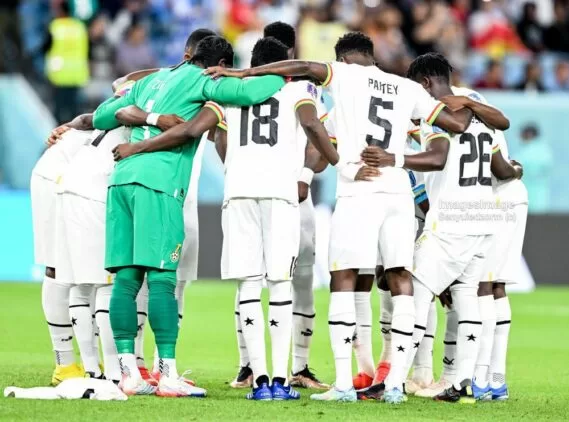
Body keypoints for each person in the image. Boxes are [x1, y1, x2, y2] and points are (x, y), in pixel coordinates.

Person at [204, 31, 496, 404]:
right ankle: (395, 385)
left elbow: (303, 67)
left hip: (359, 190)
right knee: (400, 277)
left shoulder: (343, 76)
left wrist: (244, 74)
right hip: (398, 194)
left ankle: (344, 383)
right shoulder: (406, 88)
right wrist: (468, 105)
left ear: (342, 59)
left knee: (344, 277)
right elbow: (455, 125)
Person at [91, 35, 286, 397]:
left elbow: (103, 115)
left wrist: (145, 114)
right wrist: (277, 72)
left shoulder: (150, 80)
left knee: (126, 280)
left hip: (121, 181)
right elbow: (256, 92)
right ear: (220, 66)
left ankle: (128, 373)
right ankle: (167, 374)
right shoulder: (204, 81)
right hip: (159, 184)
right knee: (163, 280)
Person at [380, 52, 520, 403]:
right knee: (467, 296)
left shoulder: (436, 114)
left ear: (425, 83)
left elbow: (438, 158)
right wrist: (515, 170)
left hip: (451, 218)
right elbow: (500, 162)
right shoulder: (478, 110)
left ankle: (394, 382)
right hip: (483, 215)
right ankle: (463, 382)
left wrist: (395, 159)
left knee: (414, 293)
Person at [31, 123, 94, 385]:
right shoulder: (136, 107)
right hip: (57, 176)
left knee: (95, 270)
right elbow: (96, 116)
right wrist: (70, 125)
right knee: (57, 267)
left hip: (88, 183)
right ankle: (65, 363)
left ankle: (93, 363)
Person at [477, 128, 528, 401]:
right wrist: (515, 168)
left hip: (495, 199)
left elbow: (500, 168)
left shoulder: (465, 117)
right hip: (511, 196)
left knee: (482, 283)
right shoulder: (484, 112)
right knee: (496, 285)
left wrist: (512, 169)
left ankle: (480, 379)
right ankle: (496, 379)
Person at [42, 2, 89, 124]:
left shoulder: (55, 26)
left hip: (59, 73)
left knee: (59, 109)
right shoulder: (80, 27)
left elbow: (45, 47)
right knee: (74, 109)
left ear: (61, 11)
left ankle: (58, 133)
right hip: (77, 72)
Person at [516, 124, 553, 212]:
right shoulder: (546, 151)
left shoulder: (525, 152)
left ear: (528, 134)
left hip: (526, 199)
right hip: (541, 200)